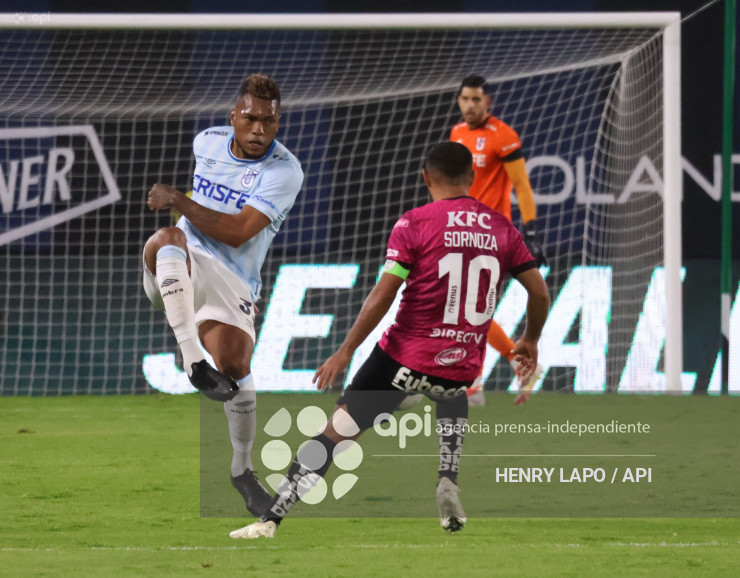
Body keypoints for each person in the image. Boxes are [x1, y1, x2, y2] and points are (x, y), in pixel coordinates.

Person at [229, 141, 550, 539]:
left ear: (425, 177)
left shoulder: (414, 223)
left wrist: (345, 351)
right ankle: (448, 479)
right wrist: (530, 339)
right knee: (449, 389)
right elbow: (538, 293)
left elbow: (385, 292)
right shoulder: (502, 228)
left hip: (403, 358)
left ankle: (270, 520)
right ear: (472, 178)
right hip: (462, 366)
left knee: (336, 430)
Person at [142, 74, 304, 519]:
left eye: (268, 123)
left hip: (233, 278)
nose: (258, 131)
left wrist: (178, 196)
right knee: (167, 236)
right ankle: (193, 361)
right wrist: (181, 209)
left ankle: (241, 470)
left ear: (278, 122)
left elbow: (235, 234)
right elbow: (194, 223)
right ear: (234, 115)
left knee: (236, 368)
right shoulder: (207, 142)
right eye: (250, 119)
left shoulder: (284, 171)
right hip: (183, 261)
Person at [450, 75, 548, 406]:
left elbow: (521, 184)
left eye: (476, 99)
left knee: (468, 307)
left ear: (488, 102)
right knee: (469, 309)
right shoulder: (457, 133)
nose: (470, 105)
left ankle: (474, 381)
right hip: (463, 230)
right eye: (465, 99)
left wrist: (530, 230)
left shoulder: (503, 136)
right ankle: (507, 368)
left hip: (491, 233)